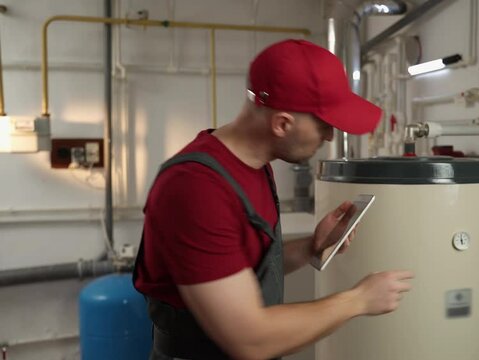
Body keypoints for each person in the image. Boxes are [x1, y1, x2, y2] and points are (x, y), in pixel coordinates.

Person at [133, 39, 414, 360]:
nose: (329, 136)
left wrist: (311, 246)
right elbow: (249, 339)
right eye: (324, 124)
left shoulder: (254, 166)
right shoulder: (197, 188)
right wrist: (359, 300)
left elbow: (241, 268)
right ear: (282, 123)